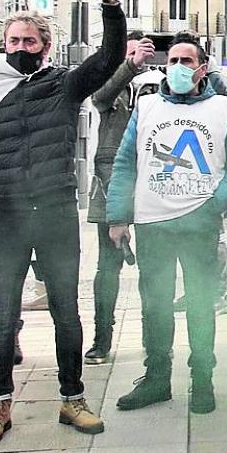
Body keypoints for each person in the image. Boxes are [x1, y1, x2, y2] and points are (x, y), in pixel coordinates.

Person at [0, 0, 126, 445]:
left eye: (29, 40)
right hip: (7, 216)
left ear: (45, 47)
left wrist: (111, 7)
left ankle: (72, 399)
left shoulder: (64, 86)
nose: (20, 47)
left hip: (54, 213)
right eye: (13, 40)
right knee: (3, 315)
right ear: (2, 45)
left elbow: (109, 59)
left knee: (66, 311)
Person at [106, 33, 227, 414]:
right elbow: (125, 164)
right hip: (153, 222)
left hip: (199, 222)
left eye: (187, 61)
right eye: (172, 61)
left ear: (202, 69)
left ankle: (202, 378)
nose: (178, 68)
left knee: (201, 304)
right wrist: (118, 216)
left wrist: (216, 204)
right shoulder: (147, 107)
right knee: (155, 305)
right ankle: (156, 378)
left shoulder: (223, 108)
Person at [84, 31, 155, 365]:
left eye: (142, 51)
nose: (137, 57)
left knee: (154, 266)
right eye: (129, 52)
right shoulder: (112, 85)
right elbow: (99, 97)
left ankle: (152, 339)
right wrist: (129, 65)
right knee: (107, 266)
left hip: (154, 178)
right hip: (111, 179)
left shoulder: (158, 85)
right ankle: (102, 337)